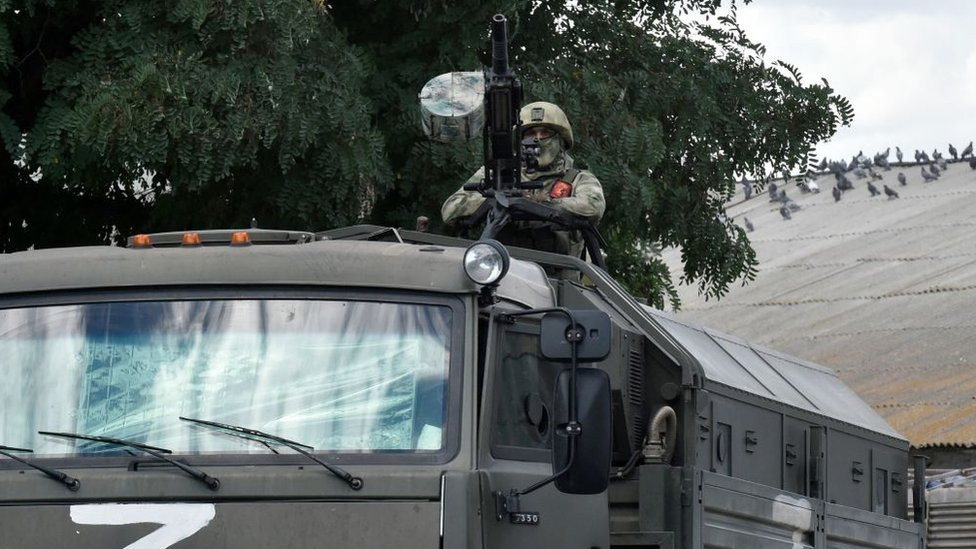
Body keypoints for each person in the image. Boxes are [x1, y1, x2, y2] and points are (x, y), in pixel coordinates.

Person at [441, 101, 605, 259]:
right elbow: (451, 209)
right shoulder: (499, 174)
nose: (537, 139)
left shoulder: (578, 179)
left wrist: (537, 202)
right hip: (501, 271)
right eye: (531, 133)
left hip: (557, 279)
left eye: (545, 133)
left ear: (561, 140)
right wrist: (496, 199)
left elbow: (593, 206)